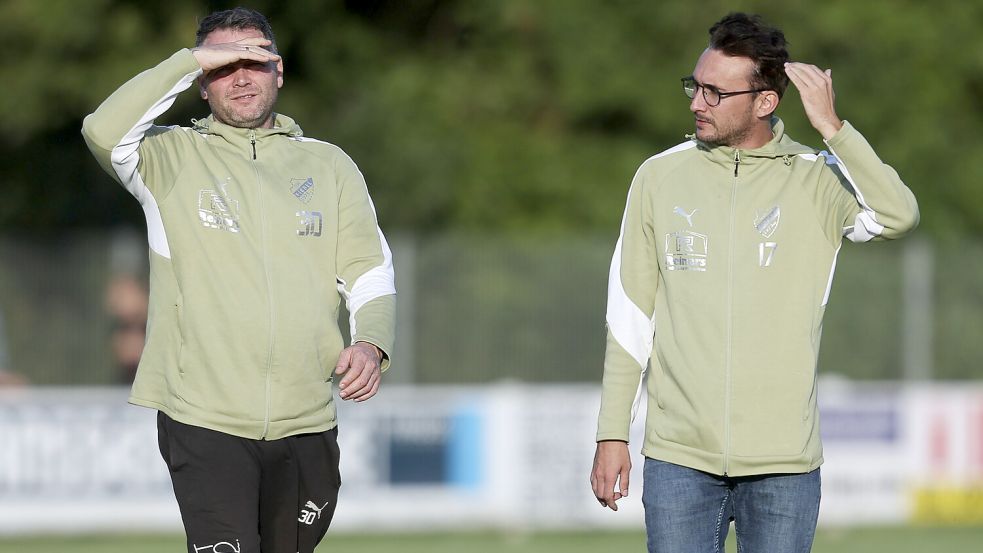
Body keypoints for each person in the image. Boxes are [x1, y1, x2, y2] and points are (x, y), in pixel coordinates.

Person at [590, 12, 917, 553]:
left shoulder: (820, 178)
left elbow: (897, 214)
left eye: (715, 93)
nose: (697, 102)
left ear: (765, 102)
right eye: (694, 86)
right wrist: (612, 432)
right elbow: (630, 317)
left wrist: (834, 129)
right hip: (678, 458)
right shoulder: (658, 176)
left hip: (784, 463)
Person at [82, 7, 396, 553]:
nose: (242, 76)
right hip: (204, 419)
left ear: (281, 71)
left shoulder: (330, 166)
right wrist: (190, 60)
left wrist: (371, 344)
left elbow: (370, 270)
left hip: (307, 421)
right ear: (202, 85)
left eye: (255, 59)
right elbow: (101, 131)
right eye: (225, 66)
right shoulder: (169, 156)